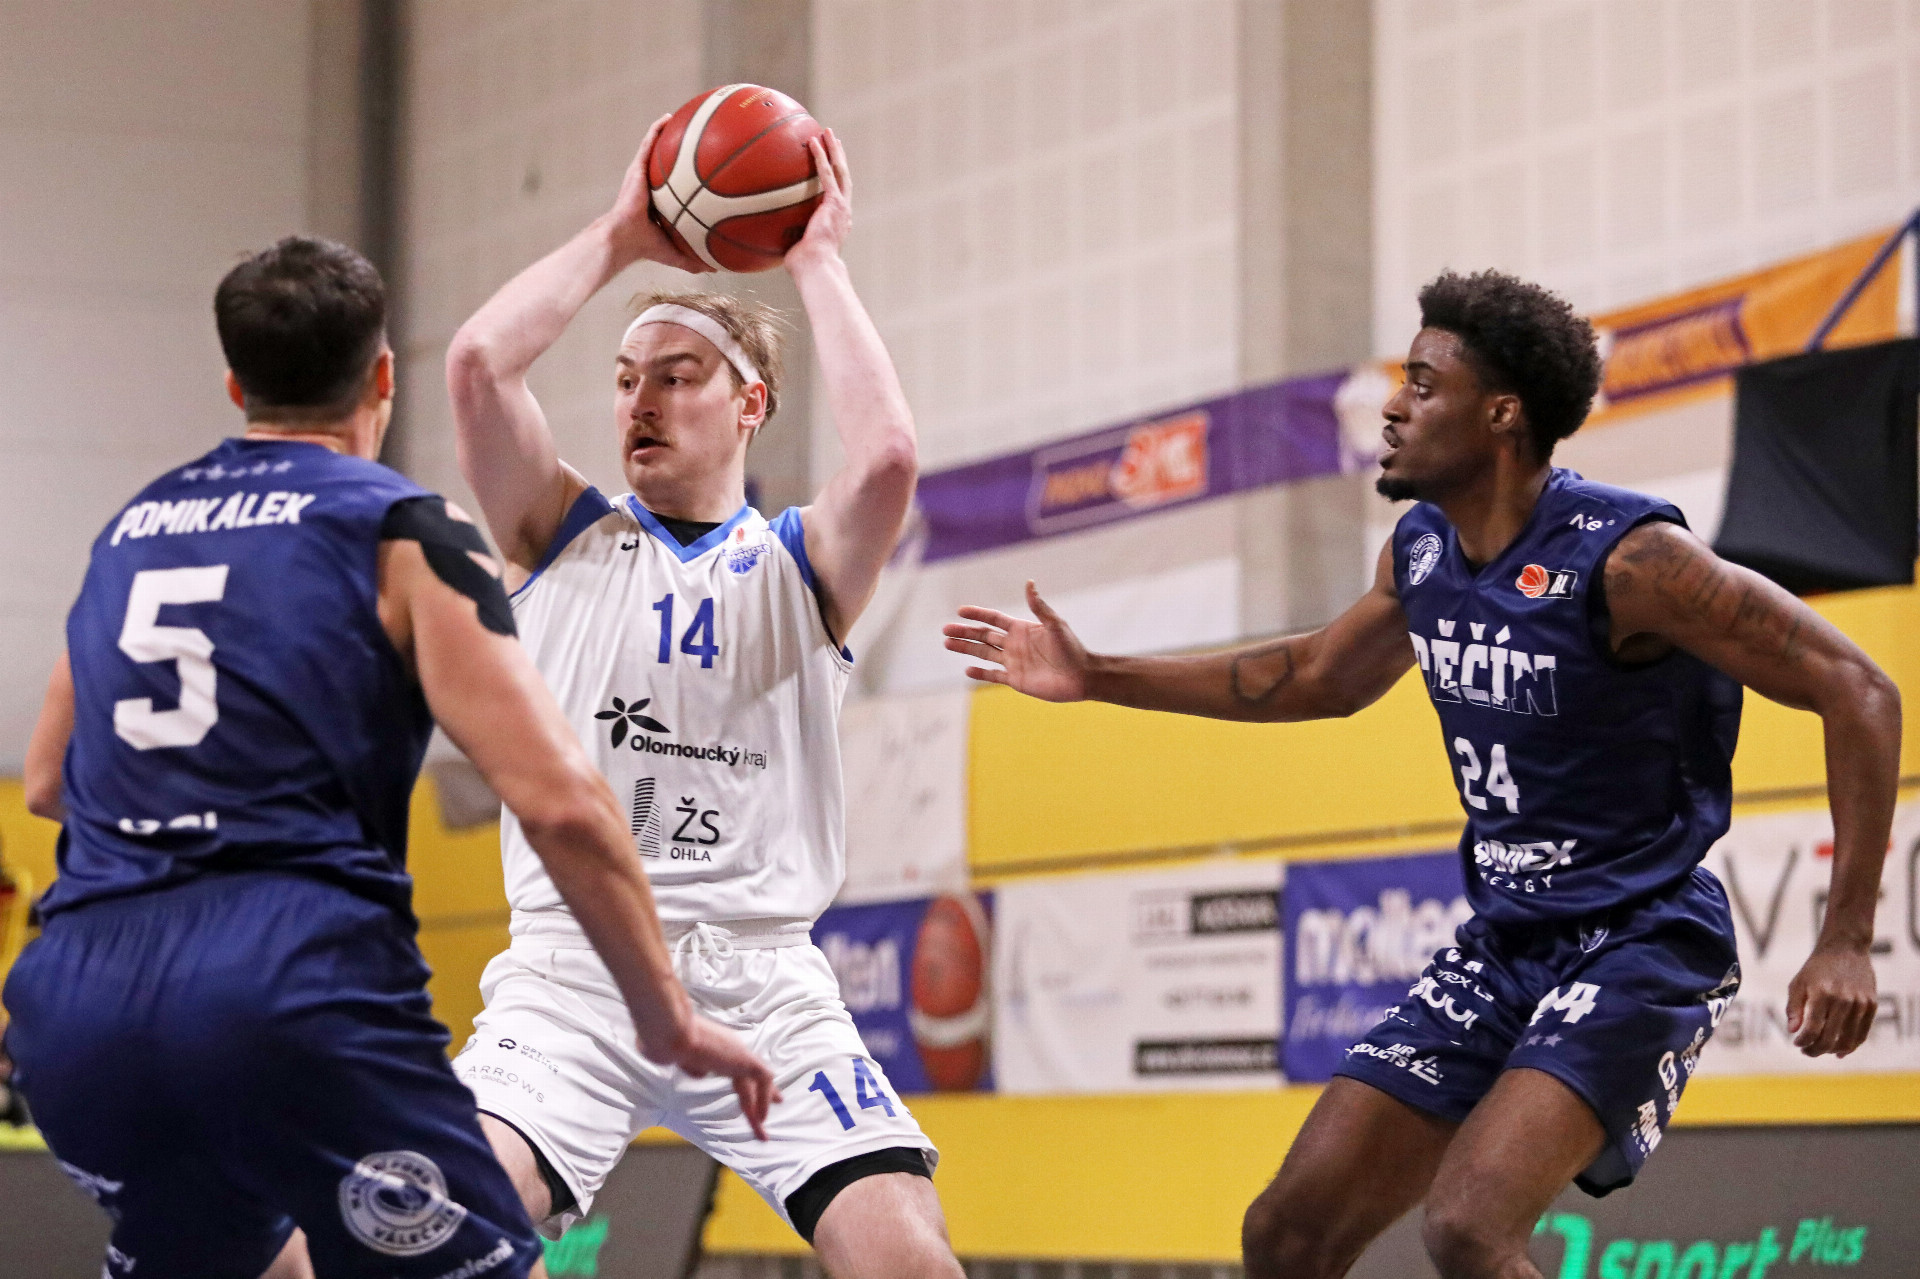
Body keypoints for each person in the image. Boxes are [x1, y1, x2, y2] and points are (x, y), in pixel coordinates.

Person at [943, 270, 1898, 1279]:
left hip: (1642, 936)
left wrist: (1845, 937)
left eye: (1423, 384)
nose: (1394, 407)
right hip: (1510, 937)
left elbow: (1861, 689)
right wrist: (1097, 675)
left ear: (1502, 414)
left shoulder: (1631, 560)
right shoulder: (1424, 552)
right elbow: (1316, 675)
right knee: (1286, 1231)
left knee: (1468, 1228)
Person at [3, 237, 773, 1279]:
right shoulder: (401, 530)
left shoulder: (133, 531)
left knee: (262, 1262)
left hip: (77, 1006)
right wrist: (665, 1015)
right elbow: (559, 802)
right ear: (381, 378)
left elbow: (49, 779)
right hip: (285, 987)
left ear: (235, 385)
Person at [444, 118, 962, 1276]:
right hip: (573, 978)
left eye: (677, 379)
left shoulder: (799, 565)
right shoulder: (559, 535)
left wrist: (816, 257)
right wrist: (621, 234)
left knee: (911, 1261)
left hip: (761, 981)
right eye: (628, 380)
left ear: (750, 404)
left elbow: (888, 458)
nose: (642, 402)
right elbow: (477, 364)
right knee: (433, 1233)